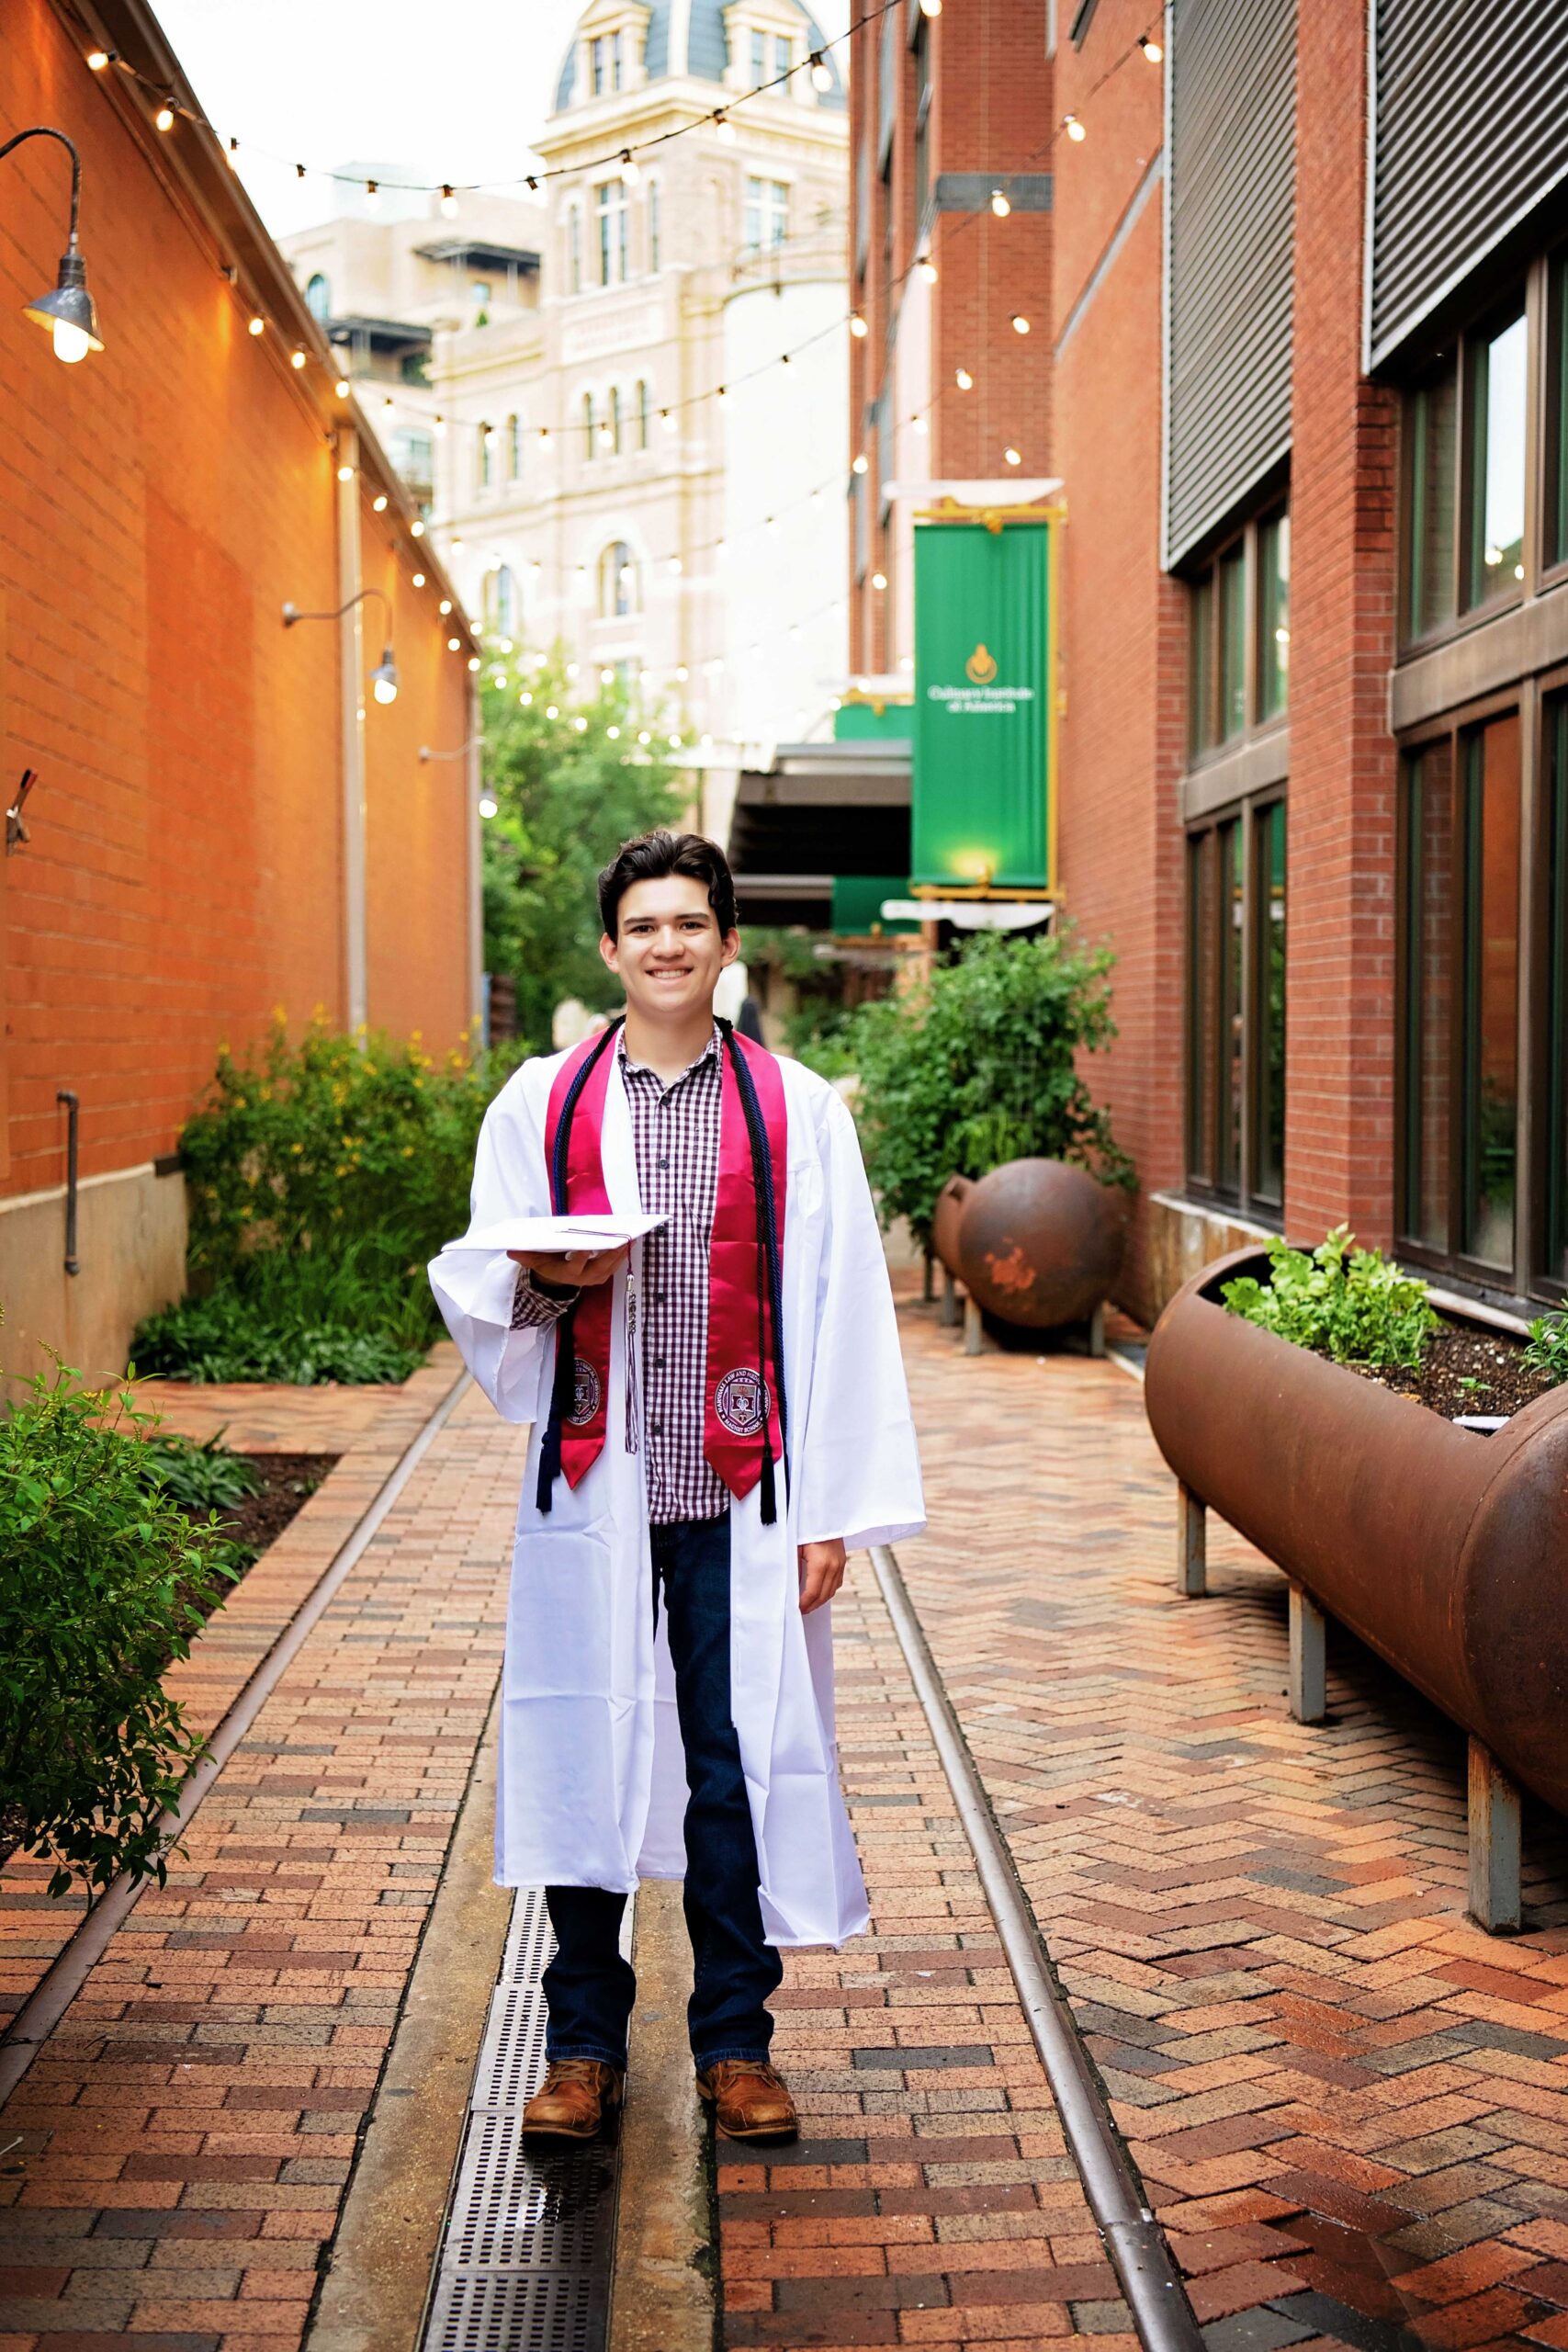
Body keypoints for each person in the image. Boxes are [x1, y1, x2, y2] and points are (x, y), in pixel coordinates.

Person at [429, 831, 924, 2145]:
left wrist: (830, 1512)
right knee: (583, 1748)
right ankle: (582, 2047)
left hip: (738, 1493)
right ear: (611, 947)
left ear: (726, 943)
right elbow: (484, 1280)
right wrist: (551, 1284)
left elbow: (846, 1311)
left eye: (690, 924)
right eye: (643, 925)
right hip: (594, 1480)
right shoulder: (544, 1101)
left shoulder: (795, 1108)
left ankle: (736, 2045)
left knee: (731, 1764)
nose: (667, 946)